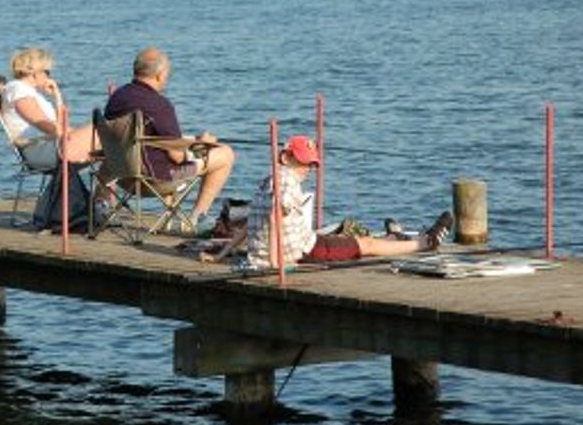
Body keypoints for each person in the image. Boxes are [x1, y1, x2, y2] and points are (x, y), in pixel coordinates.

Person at [244, 135, 452, 269]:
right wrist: (275, 262)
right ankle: (426, 242)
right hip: (303, 251)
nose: (307, 169)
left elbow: (251, 222)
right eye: (301, 162)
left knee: (347, 239)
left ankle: (392, 238)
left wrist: (222, 256)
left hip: (281, 248)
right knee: (366, 245)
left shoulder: (268, 180)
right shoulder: (288, 184)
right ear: (285, 158)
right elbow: (273, 217)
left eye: (310, 164)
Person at [104, 46, 235, 235]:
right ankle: (196, 217)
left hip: (123, 177)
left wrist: (188, 141)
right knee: (225, 155)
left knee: (175, 147)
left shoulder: (117, 97)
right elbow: (177, 157)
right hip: (160, 180)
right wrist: (203, 146)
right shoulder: (159, 105)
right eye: (167, 75)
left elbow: (148, 139)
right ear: (159, 75)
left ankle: (169, 217)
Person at [0, 47, 95, 171]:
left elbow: (60, 126)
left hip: (49, 146)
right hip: (38, 151)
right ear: (34, 72)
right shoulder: (18, 90)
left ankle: (106, 187)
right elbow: (46, 126)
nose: (49, 77)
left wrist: (57, 95)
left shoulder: (29, 92)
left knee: (112, 139)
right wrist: (74, 135)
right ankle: (108, 187)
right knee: (107, 132)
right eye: (47, 72)